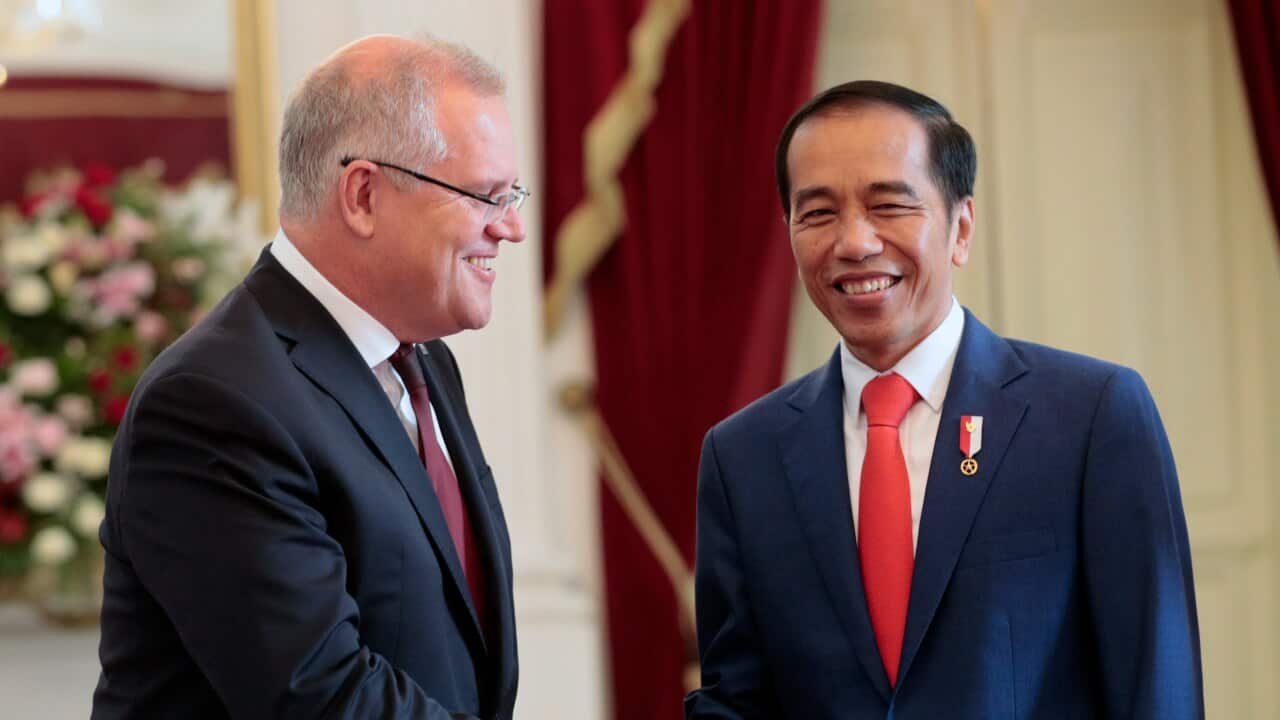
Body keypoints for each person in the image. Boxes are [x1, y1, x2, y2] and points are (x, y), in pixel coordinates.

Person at [685, 81, 1202, 719]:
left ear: (960, 226)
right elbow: (736, 699)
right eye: (817, 212)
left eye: (889, 206)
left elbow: (1156, 686)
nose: (855, 242)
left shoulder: (1091, 416)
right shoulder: (743, 456)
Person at [92, 34, 526, 719]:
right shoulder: (214, 400)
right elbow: (320, 696)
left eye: (511, 195)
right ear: (362, 195)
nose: (512, 228)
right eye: (485, 196)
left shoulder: (422, 360)